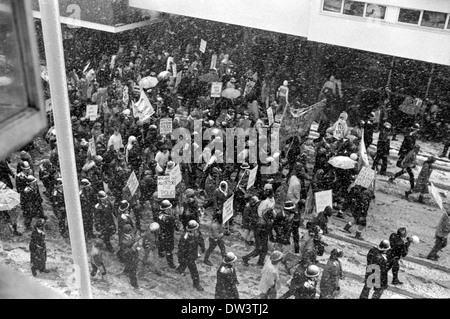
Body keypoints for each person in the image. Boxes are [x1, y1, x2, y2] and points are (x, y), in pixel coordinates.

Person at [176, 220, 205, 292]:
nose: (196, 230)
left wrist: (202, 247)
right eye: (195, 229)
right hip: (187, 256)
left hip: (193, 254)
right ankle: (196, 284)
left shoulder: (197, 233)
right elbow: (181, 249)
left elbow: (200, 240)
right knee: (194, 271)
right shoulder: (184, 237)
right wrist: (181, 258)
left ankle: (180, 269)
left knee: (184, 264)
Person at [271, 201, 299, 273]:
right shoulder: (280, 215)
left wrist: (296, 243)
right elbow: (275, 225)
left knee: (286, 252)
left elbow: (295, 229)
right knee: (277, 252)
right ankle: (274, 266)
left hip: (287, 238)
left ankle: (283, 263)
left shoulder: (294, 216)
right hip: (280, 238)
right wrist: (279, 233)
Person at [156, 200, 179, 269]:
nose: (170, 209)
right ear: (167, 209)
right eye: (169, 208)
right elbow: (175, 227)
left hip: (161, 233)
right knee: (169, 250)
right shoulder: (170, 218)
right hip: (168, 235)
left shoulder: (159, 214)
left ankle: (160, 252)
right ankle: (170, 263)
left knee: (161, 243)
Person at [117, 224, 140, 289]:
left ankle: (126, 271)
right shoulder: (123, 240)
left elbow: (133, 238)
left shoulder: (130, 234)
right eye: (130, 232)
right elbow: (126, 251)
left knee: (128, 264)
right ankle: (134, 284)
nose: (131, 233)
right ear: (126, 232)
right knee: (133, 270)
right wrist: (134, 247)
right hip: (129, 255)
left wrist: (136, 240)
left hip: (134, 254)